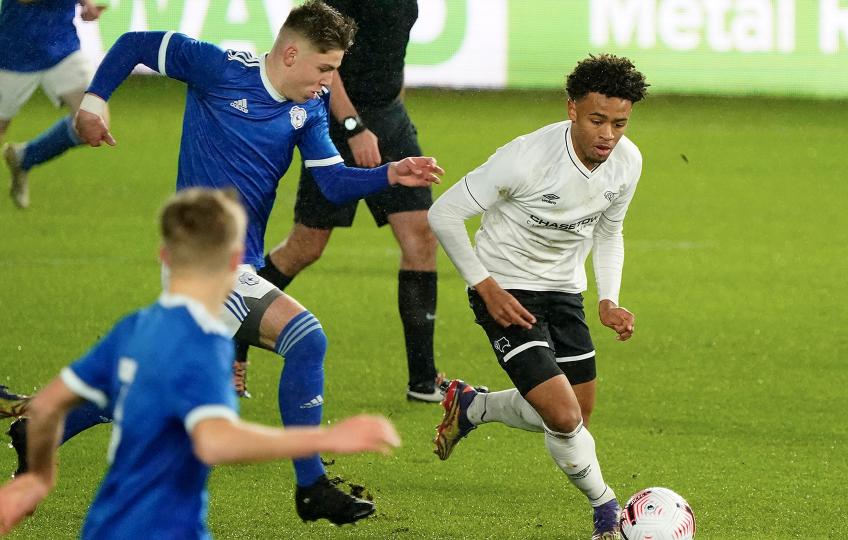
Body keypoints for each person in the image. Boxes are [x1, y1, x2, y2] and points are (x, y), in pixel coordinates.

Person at [69, 0, 442, 525]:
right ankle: (311, 486)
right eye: (325, 69)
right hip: (201, 262)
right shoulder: (218, 69)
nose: (329, 83)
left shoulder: (308, 112)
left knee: (171, 385)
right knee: (307, 339)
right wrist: (93, 102)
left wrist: (389, 174)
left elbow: (333, 181)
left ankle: (41, 425)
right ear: (291, 54)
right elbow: (134, 45)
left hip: (236, 264)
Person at [0, 188, 401, 538]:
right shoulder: (205, 347)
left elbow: (51, 402)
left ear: (164, 257)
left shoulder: (134, 327)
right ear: (236, 263)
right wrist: (325, 439)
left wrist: (37, 479)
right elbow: (216, 441)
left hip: (105, 526)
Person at [427, 54, 648, 540]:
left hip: (564, 290)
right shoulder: (524, 159)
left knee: (575, 414)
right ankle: (606, 509)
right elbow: (443, 213)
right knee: (565, 417)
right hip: (505, 288)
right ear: (571, 109)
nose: (608, 135)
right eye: (597, 120)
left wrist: (608, 299)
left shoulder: (627, 162)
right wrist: (485, 286)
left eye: (619, 123)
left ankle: (473, 406)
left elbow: (610, 232)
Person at [237, 0, 444, 403]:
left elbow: (389, 56)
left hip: (389, 117)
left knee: (421, 238)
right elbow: (327, 64)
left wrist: (393, 118)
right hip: (334, 120)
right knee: (305, 247)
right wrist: (353, 127)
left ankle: (423, 379)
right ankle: (234, 331)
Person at [1, 0, 107, 209]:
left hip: (62, 48)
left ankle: (24, 157)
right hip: (15, 52)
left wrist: (87, 5)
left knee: (94, 122)